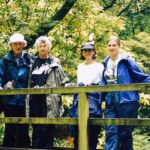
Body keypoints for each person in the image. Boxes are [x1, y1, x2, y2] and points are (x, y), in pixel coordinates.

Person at [102, 35, 150, 150]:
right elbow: (102, 82)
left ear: (119, 46)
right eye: (109, 45)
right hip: (110, 100)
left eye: (114, 45)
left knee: (125, 135)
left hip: (126, 100)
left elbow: (142, 77)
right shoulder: (105, 62)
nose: (112, 47)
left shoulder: (126, 60)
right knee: (110, 131)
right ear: (107, 47)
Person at [29, 36, 68, 149]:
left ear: (48, 47)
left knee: (48, 127)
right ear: (37, 48)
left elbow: (64, 80)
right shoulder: (32, 64)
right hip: (35, 100)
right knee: (36, 127)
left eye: (44, 46)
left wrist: (67, 86)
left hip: (50, 100)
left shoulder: (55, 64)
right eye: (40, 46)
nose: (42, 48)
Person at [70, 42, 104, 150]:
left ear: (94, 52)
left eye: (90, 50)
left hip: (93, 97)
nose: (87, 52)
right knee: (76, 127)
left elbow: (102, 84)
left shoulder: (99, 66)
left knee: (92, 127)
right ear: (82, 53)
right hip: (79, 97)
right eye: (85, 50)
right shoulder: (80, 66)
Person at [0, 33, 31, 148]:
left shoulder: (28, 59)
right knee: (10, 127)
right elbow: (0, 76)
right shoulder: (5, 61)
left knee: (24, 128)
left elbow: (38, 67)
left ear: (23, 45)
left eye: (20, 44)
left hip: (24, 100)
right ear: (11, 46)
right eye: (15, 44)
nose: (18, 46)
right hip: (10, 100)